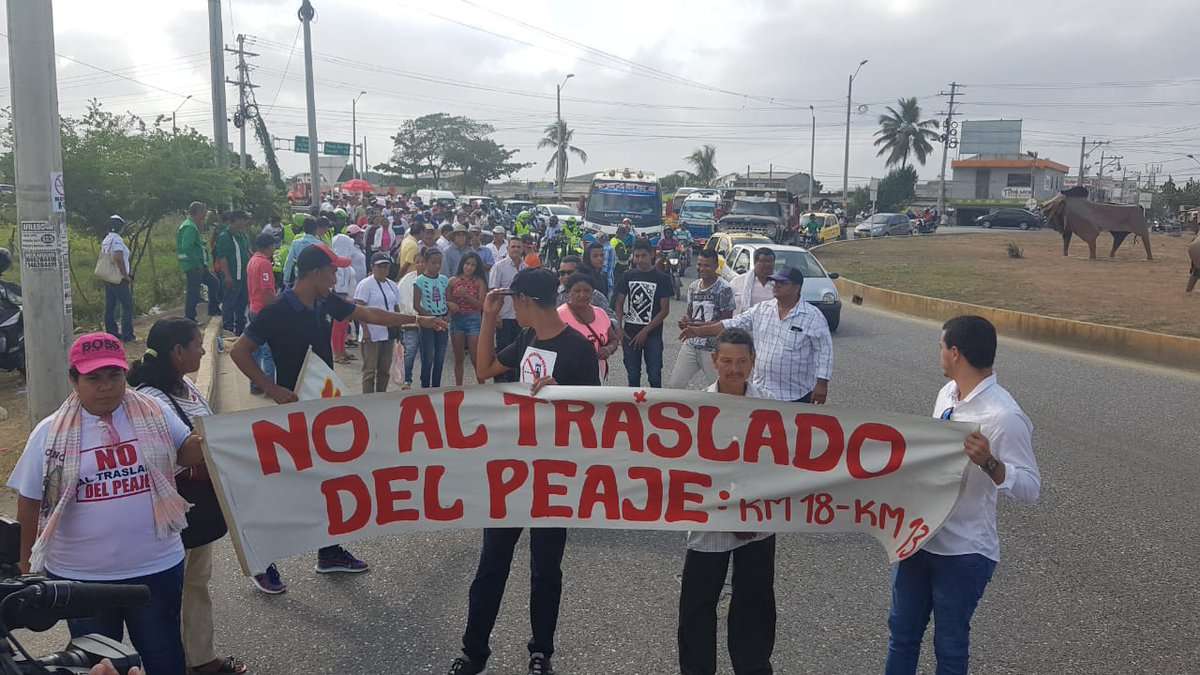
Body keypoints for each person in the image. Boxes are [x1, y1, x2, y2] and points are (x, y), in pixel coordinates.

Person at [229, 243, 446, 592]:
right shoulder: (278, 310)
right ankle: (261, 560)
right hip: (291, 412)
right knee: (284, 490)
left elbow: (370, 315)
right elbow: (240, 351)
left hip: (321, 406)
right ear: (315, 273)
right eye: (333, 271)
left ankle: (328, 552)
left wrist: (418, 320)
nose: (337, 276)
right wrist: (272, 388)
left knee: (327, 482)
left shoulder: (324, 301)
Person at [8, 333, 206, 675]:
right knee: (99, 667)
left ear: (125, 374)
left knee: (164, 659)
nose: (106, 386)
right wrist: (26, 567)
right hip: (81, 580)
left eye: (114, 375)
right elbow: (29, 503)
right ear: (74, 379)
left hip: (155, 569)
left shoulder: (153, 411)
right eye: (93, 378)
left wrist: (221, 438)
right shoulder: (49, 432)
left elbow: (185, 450)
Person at [448, 268, 600, 675]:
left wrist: (562, 394)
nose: (513, 309)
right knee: (491, 564)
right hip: (512, 472)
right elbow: (484, 370)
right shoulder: (526, 338)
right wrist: (487, 318)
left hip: (554, 477)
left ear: (529, 301)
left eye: (515, 302)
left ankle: (541, 651)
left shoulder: (579, 350)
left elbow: (597, 417)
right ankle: (474, 650)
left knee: (546, 569)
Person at [885, 316, 1041, 675]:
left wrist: (990, 463)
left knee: (950, 647)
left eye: (940, 346)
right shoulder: (947, 394)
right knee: (902, 635)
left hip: (964, 552)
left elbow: (1031, 489)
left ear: (955, 353)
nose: (938, 353)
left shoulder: (1004, 416)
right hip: (920, 539)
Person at [127, 318, 249, 675]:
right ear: (177, 352)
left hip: (197, 507)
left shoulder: (186, 388)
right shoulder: (152, 400)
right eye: (197, 344)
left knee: (196, 582)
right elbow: (177, 455)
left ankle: (201, 657)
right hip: (170, 511)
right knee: (170, 591)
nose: (202, 349)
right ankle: (170, 662)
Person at [677, 327, 777, 675]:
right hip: (709, 519)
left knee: (755, 601)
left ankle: (752, 667)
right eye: (727, 361)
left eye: (742, 362)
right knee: (697, 603)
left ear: (753, 362)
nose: (734, 369)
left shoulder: (772, 408)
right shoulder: (694, 408)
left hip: (758, 519)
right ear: (714, 362)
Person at [682, 266, 831, 403]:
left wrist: (822, 384)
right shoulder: (762, 309)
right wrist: (699, 331)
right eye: (774, 281)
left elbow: (824, 351)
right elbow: (732, 323)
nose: (776, 285)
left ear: (797, 287)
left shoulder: (813, 317)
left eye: (782, 282)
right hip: (762, 393)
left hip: (795, 395)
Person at [668, 249, 735, 389]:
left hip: (712, 349)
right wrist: (685, 322)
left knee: (720, 389)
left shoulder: (724, 289)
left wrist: (700, 327)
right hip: (691, 345)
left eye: (707, 265)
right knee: (674, 385)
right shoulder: (693, 287)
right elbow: (690, 314)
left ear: (716, 266)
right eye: (699, 264)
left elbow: (727, 322)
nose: (702, 269)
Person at [614, 240, 672, 388]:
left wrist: (645, 331)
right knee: (632, 376)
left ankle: (656, 409)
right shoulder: (628, 276)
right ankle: (634, 409)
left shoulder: (662, 278)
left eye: (643, 256)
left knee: (654, 375)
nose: (639, 260)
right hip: (630, 334)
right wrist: (619, 328)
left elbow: (664, 310)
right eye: (636, 256)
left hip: (653, 334)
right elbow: (619, 303)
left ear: (652, 255)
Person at [354, 252, 403, 393]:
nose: (383, 270)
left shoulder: (392, 285)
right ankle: (368, 400)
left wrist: (399, 327)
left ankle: (381, 397)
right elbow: (359, 309)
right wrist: (365, 331)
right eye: (380, 266)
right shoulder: (365, 285)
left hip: (388, 333)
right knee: (369, 371)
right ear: (372, 267)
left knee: (384, 369)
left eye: (386, 267)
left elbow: (395, 307)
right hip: (372, 333)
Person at [557, 273, 618, 379]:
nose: (582, 295)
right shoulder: (559, 316)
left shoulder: (601, 314)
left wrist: (608, 349)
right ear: (568, 293)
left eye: (587, 291)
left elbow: (614, 340)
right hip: (568, 377)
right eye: (577, 291)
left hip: (597, 376)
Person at [486, 237, 526, 383]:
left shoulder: (525, 268)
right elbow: (493, 292)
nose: (516, 249)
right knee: (503, 351)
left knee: (519, 350)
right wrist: (495, 316)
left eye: (518, 247)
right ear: (508, 248)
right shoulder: (499, 267)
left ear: (522, 249)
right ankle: (500, 382)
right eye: (513, 246)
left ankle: (515, 382)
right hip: (504, 316)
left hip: (521, 318)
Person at [448, 252, 487, 386]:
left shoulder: (479, 282)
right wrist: (451, 304)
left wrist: (466, 296)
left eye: (473, 265)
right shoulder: (453, 281)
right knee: (458, 358)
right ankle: (459, 388)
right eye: (467, 264)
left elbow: (481, 305)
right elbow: (447, 301)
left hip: (473, 320)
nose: (469, 267)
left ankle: (482, 388)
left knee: (475, 358)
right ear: (462, 264)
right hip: (457, 320)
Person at [245, 232, 277, 396]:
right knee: (268, 352)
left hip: (253, 308)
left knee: (255, 351)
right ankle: (269, 387)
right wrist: (276, 309)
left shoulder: (252, 261)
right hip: (263, 311)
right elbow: (267, 292)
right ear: (269, 246)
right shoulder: (264, 264)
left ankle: (256, 384)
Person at [414, 247, 451, 388]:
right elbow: (416, 305)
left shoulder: (444, 280)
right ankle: (425, 386)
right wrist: (431, 319)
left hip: (442, 321)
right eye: (433, 262)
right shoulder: (420, 281)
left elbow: (447, 300)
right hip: (427, 323)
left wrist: (447, 315)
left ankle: (436, 386)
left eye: (439, 263)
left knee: (440, 357)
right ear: (426, 262)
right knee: (428, 356)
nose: (436, 266)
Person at [179, 201, 220, 322]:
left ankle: (213, 309)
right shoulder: (189, 227)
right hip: (193, 265)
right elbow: (187, 247)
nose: (205, 215)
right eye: (204, 212)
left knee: (213, 283)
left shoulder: (192, 225)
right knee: (194, 292)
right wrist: (197, 263)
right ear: (198, 212)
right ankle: (190, 318)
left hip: (198, 264)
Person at [214, 211, 252, 336]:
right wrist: (228, 276)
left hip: (244, 277)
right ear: (234, 220)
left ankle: (240, 330)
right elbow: (223, 258)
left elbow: (247, 252)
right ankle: (228, 330)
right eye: (242, 220)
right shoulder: (225, 237)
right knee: (229, 303)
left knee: (242, 304)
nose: (244, 223)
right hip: (233, 277)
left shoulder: (243, 235)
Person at [101, 214, 135, 343]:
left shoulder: (106, 239)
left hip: (108, 277)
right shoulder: (117, 240)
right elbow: (118, 257)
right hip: (118, 278)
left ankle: (112, 334)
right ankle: (127, 335)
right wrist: (125, 275)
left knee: (110, 306)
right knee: (127, 306)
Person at [331, 233, 363, 364]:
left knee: (343, 327)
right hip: (341, 297)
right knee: (338, 327)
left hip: (347, 297)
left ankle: (342, 350)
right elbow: (338, 285)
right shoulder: (337, 264)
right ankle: (337, 353)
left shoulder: (344, 262)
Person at [396, 251, 425, 389]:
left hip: (428, 321)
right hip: (411, 322)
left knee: (427, 354)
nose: (420, 265)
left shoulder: (433, 279)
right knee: (410, 351)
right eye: (418, 262)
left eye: (423, 262)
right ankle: (407, 379)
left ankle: (425, 381)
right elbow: (401, 299)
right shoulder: (407, 279)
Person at [282, 215, 331, 286]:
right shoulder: (320, 244)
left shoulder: (296, 243)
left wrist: (286, 280)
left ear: (304, 229)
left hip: (299, 279)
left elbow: (289, 262)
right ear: (315, 229)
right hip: (315, 280)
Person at [730, 248, 775, 314]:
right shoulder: (737, 282)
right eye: (764, 261)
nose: (768, 264)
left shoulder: (779, 284)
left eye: (770, 261)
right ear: (755, 263)